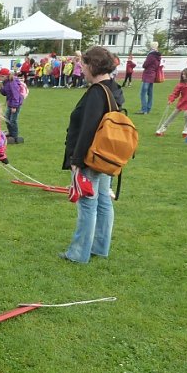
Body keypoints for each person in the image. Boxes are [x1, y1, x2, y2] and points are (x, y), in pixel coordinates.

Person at [60, 46, 120, 264]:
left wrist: (76, 161)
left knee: (88, 203)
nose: (82, 70)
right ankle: (99, 247)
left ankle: (78, 253)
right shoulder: (113, 88)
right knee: (103, 200)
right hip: (106, 155)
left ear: (93, 65)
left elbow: (88, 128)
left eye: (83, 65)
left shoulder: (97, 93)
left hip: (92, 157)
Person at [155, 67, 187, 137]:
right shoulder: (181, 84)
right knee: (173, 114)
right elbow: (175, 92)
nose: (183, 76)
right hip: (183, 101)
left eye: (185, 74)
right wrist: (171, 99)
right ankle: (163, 127)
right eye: (182, 74)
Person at [0, 68, 24, 142]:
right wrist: (0, 88)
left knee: (13, 120)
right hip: (10, 103)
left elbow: (15, 95)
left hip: (15, 104)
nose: (1, 78)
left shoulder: (12, 82)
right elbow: (5, 93)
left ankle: (15, 136)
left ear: (6, 75)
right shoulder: (6, 82)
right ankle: (11, 133)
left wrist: (14, 106)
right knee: (7, 119)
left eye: (2, 76)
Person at [139, 42, 162, 115]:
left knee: (143, 93)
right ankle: (148, 108)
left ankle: (144, 109)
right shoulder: (158, 56)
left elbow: (145, 65)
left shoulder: (151, 55)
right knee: (150, 93)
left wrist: (145, 64)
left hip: (147, 75)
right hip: (153, 75)